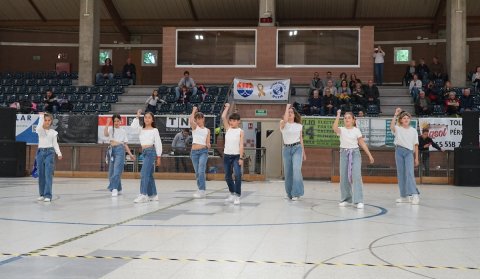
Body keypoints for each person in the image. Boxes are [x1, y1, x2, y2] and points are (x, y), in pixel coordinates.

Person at [333, 109, 374, 209]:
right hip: (343, 153)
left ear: (353, 120)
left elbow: (362, 144)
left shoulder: (356, 130)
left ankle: (358, 200)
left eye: (349, 118)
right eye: (345, 118)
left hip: (355, 153)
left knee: (356, 176)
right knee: (343, 176)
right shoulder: (341, 129)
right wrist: (338, 115)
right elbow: (334, 128)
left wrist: (369, 155)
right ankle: (346, 199)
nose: (347, 119)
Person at [131, 109, 162, 203]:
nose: (147, 119)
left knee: (143, 173)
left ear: (152, 120)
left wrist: (159, 157)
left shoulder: (154, 130)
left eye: (149, 117)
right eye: (145, 117)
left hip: (151, 152)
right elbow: (133, 127)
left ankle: (143, 194)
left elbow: (158, 143)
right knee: (149, 174)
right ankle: (153, 195)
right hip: (144, 152)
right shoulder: (141, 129)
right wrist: (137, 116)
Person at [390, 108, 420, 205]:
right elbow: (392, 127)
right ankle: (404, 196)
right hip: (398, 151)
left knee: (409, 173)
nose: (406, 119)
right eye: (404, 118)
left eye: (407, 118)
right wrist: (395, 114)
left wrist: (416, 158)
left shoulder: (413, 131)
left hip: (409, 153)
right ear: (401, 120)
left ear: (410, 119)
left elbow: (416, 145)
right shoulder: (398, 129)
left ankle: (414, 194)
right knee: (401, 174)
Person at [104, 114, 135, 197]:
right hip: (111, 151)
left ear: (120, 121)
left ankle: (114, 188)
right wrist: (107, 123)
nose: (116, 122)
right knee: (111, 172)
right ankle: (119, 188)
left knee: (117, 170)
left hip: (120, 150)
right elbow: (106, 134)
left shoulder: (123, 131)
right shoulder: (110, 129)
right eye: (115, 121)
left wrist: (130, 154)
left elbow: (125, 144)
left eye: (118, 121)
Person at [280, 104, 306, 201]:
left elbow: (301, 139)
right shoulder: (282, 123)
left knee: (296, 169)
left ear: (295, 115)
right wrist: (287, 107)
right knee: (288, 172)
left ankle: (296, 193)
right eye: (288, 112)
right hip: (286, 149)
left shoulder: (299, 126)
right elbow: (286, 120)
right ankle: (289, 193)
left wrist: (304, 152)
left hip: (297, 148)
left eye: (292, 112)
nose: (290, 114)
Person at [35, 113, 63, 202]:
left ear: (51, 121)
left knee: (48, 174)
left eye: (49, 120)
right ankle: (42, 194)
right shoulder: (40, 130)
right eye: (45, 120)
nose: (47, 122)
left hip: (49, 153)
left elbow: (55, 144)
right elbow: (39, 127)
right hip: (40, 153)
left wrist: (59, 153)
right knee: (41, 174)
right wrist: (41, 117)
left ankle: (48, 195)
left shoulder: (53, 132)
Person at [221, 103, 244, 205]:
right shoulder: (228, 129)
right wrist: (227, 108)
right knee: (227, 176)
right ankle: (232, 193)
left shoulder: (240, 131)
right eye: (231, 120)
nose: (232, 122)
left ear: (238, 122)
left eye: (234, 120)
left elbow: (241, 145)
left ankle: (237, 195)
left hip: (236, 156)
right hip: (227, 156)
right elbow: (223, 117)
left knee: (238, 175)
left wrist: (241, 158)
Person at [189, 107, 211, 198]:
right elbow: (190, 121)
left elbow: (208, 142)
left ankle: (202, 190)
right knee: (197, 172)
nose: (198, 120)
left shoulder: (207, 130)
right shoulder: (195, 127)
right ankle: (200, 189)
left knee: (201, 170)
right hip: (194, 152)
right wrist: (193, 110)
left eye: (199, 118)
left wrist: (208, 144)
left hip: (203, 151)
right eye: (196, 119)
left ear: (203, 119)